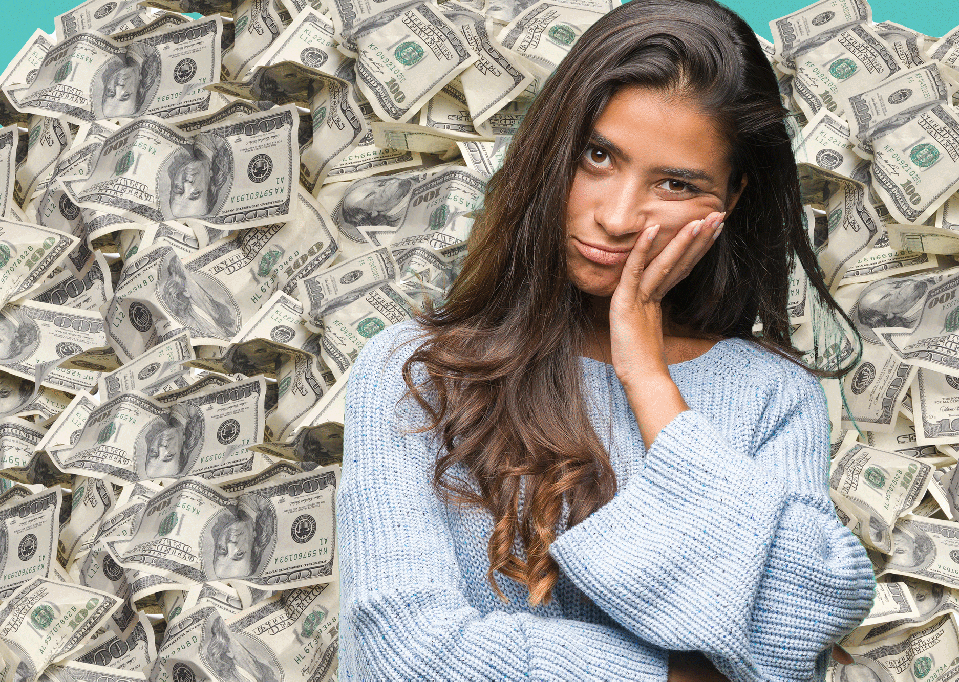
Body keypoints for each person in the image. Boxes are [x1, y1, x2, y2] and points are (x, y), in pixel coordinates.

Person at [338, 1, 876, 680]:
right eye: (598, 156)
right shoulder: (417, 369)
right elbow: (408, 657)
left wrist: (647, 377)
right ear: (553, 145)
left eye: (676, 183)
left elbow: (796, 637)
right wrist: (684, 675)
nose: (617, 217)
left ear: (731, 199)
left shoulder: (773, 397)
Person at [207, 503, 272, 579]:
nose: (230, 544)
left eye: (223, 549)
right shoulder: (264, 507)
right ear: (254, 547)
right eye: (239, 554)